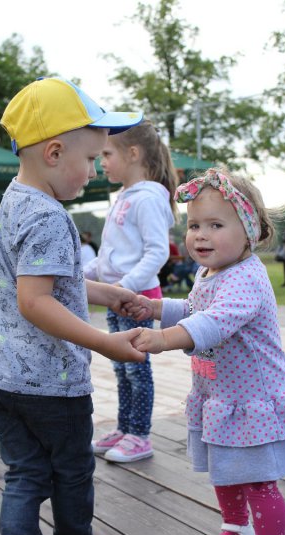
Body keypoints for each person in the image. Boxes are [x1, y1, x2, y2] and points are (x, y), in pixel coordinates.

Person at [0, 77, 145, 535]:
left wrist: (105, 292)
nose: (93, 171)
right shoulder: (49, 216)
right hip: (49, 381)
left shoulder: (15, 201)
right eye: (89, 159)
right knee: (71, 471)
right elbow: (36, 301)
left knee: (25, 474)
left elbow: (39, 280)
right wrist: (103, 342)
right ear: (53, 152)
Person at [129, 167, 285, 535]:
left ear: (250, 232)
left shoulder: (247, 278)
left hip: (254, 401)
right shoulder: (210, 273)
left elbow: (214, 322)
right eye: (194, 225)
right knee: (224, 469)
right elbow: (196, 308)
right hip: (221, 397)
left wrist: (163, 339)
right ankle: (236, 528)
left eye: (216, 225)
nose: (200, 235)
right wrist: (157, 309)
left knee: (257, 479)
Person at [84, 120, 179, 462]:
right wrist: (84, 275)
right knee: (122, 367)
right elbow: (111, 254)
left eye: (107, 154)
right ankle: (124, 428)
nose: (101, 162)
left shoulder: (148, 198)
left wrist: (125, 288)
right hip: (116, 299)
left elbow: (157, 252)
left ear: (134, 154)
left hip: (137, 302)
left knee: (137, 369)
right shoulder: (124, 196)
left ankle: (140, 434)